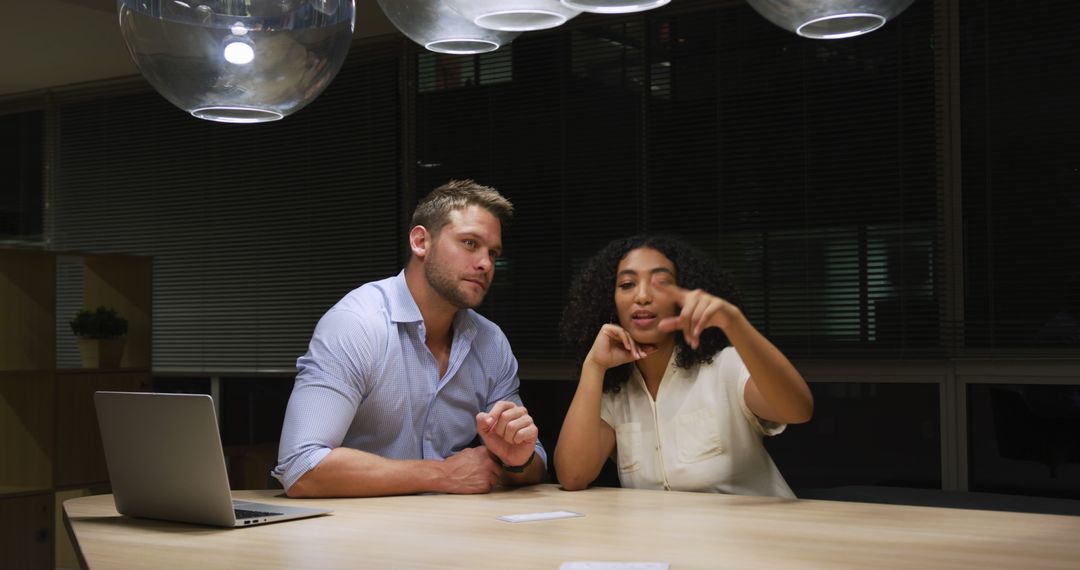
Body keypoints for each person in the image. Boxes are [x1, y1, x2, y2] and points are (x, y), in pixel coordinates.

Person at [273, 180, 546, 497]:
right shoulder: (358, 324)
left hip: (442, 529)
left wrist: (516, 461)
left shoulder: (490, 342)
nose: (486, 263)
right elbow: (301, 467)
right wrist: (443, 475)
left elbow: (535, 462)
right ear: (420, 242)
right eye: (470, 243)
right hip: (350, 530)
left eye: (493, 252)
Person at [554, 235, 812, 497]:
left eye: (662, 283)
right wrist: (594, 366)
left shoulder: (725, 367)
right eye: (627, 284)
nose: (642, 296)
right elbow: (573, 476)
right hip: (668, 538)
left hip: (760, 534)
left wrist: (734, 323)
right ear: (610, 301)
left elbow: (798, 411)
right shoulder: (616, 393)